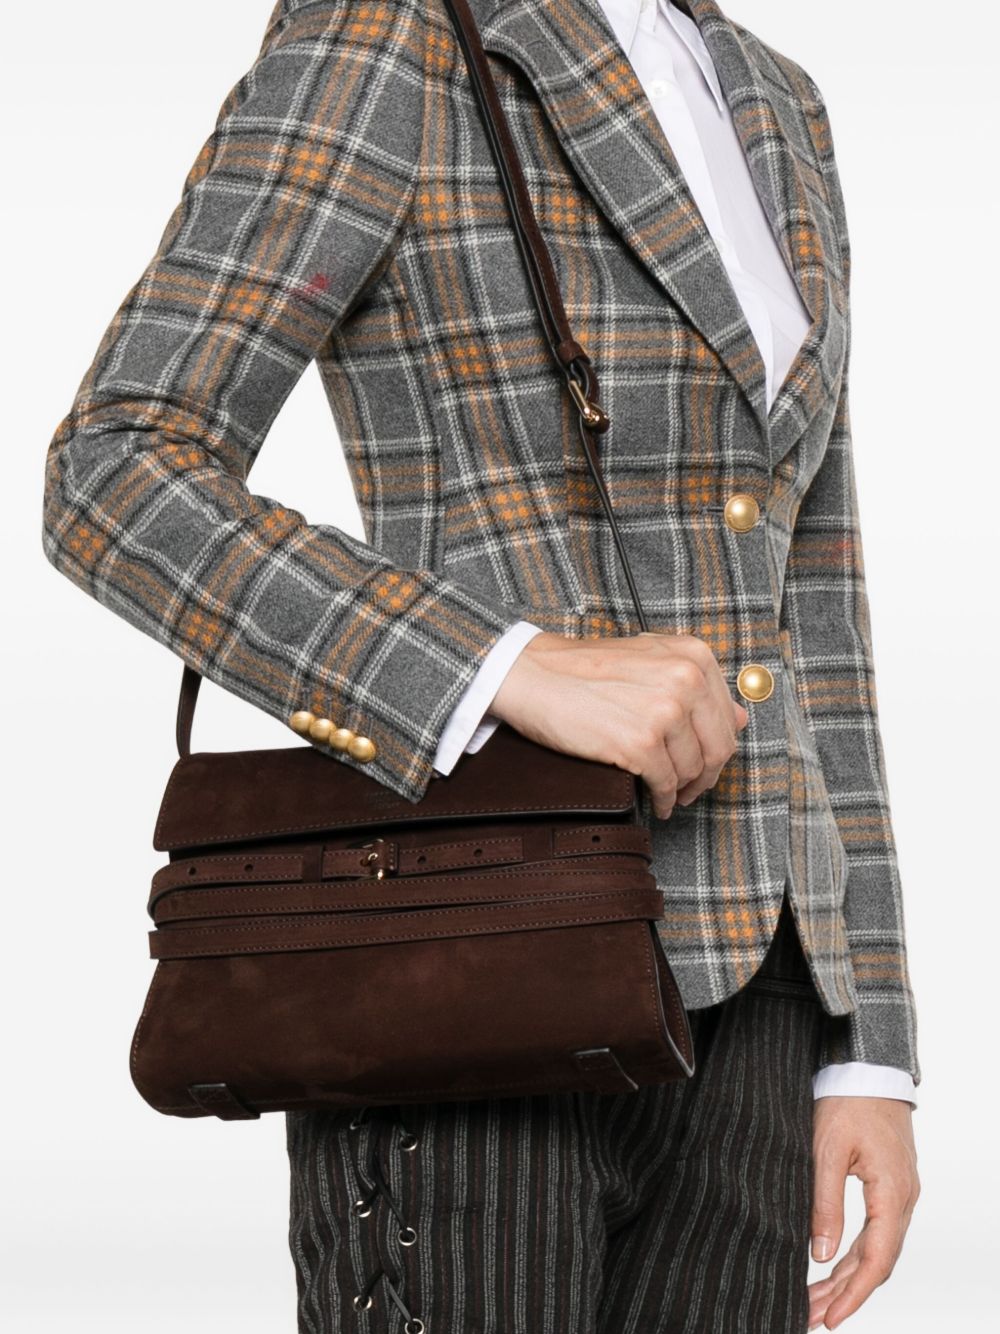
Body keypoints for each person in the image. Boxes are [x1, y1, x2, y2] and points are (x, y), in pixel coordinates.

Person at [41, 0, 921, 1330]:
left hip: (760, 994)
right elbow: (115, 470)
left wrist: (871, 1048)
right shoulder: (392, 35)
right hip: (474, 948)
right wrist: (500, 663)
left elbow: (819, 590)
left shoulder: (776, 95)